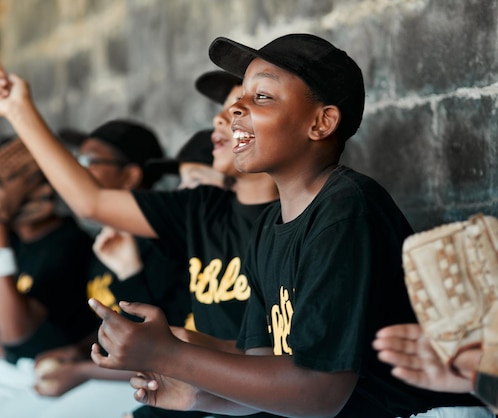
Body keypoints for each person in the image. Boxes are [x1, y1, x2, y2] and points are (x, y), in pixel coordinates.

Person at [79, 33, 495, 418]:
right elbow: (265, 367)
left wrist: (170, 355)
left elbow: (320, 389)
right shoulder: (269, 225)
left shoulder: (346, 208)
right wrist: (197, 394)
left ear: (321, 123)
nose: (235, 109)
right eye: (239, 97)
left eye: (261, 96)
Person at [0, 57, 281, 418]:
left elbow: (288, 373)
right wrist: (19, 111)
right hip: (197, 395)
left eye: (255, 100)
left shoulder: (300, 220)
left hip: (241, 401)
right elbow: (89, 201)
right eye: (225, 108)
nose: (224, 116)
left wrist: (182, 350)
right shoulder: (203, 207)